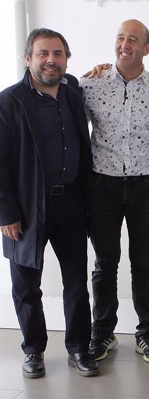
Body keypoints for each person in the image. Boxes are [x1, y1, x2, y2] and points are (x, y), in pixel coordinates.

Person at [0, 29, 98, 378]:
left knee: (76, 282)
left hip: (71, 201)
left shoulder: (71, 93)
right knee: (26, 286)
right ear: (28, 59)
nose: (50, 60)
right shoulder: (9, 101)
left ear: (66, 59)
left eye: (58, 53)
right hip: (26, 209)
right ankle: (34, 350)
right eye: (43, 53)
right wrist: (6, 214)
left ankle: (78, 349)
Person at [81, 19, 149, 363]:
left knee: (144, 264)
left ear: (146, 48)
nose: (125, 45)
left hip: (146, 184)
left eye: (133, 40)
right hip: (101, 185)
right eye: (120, 38)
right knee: (105, 263)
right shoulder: (90, 85)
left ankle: (147, 333)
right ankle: (102, 333)